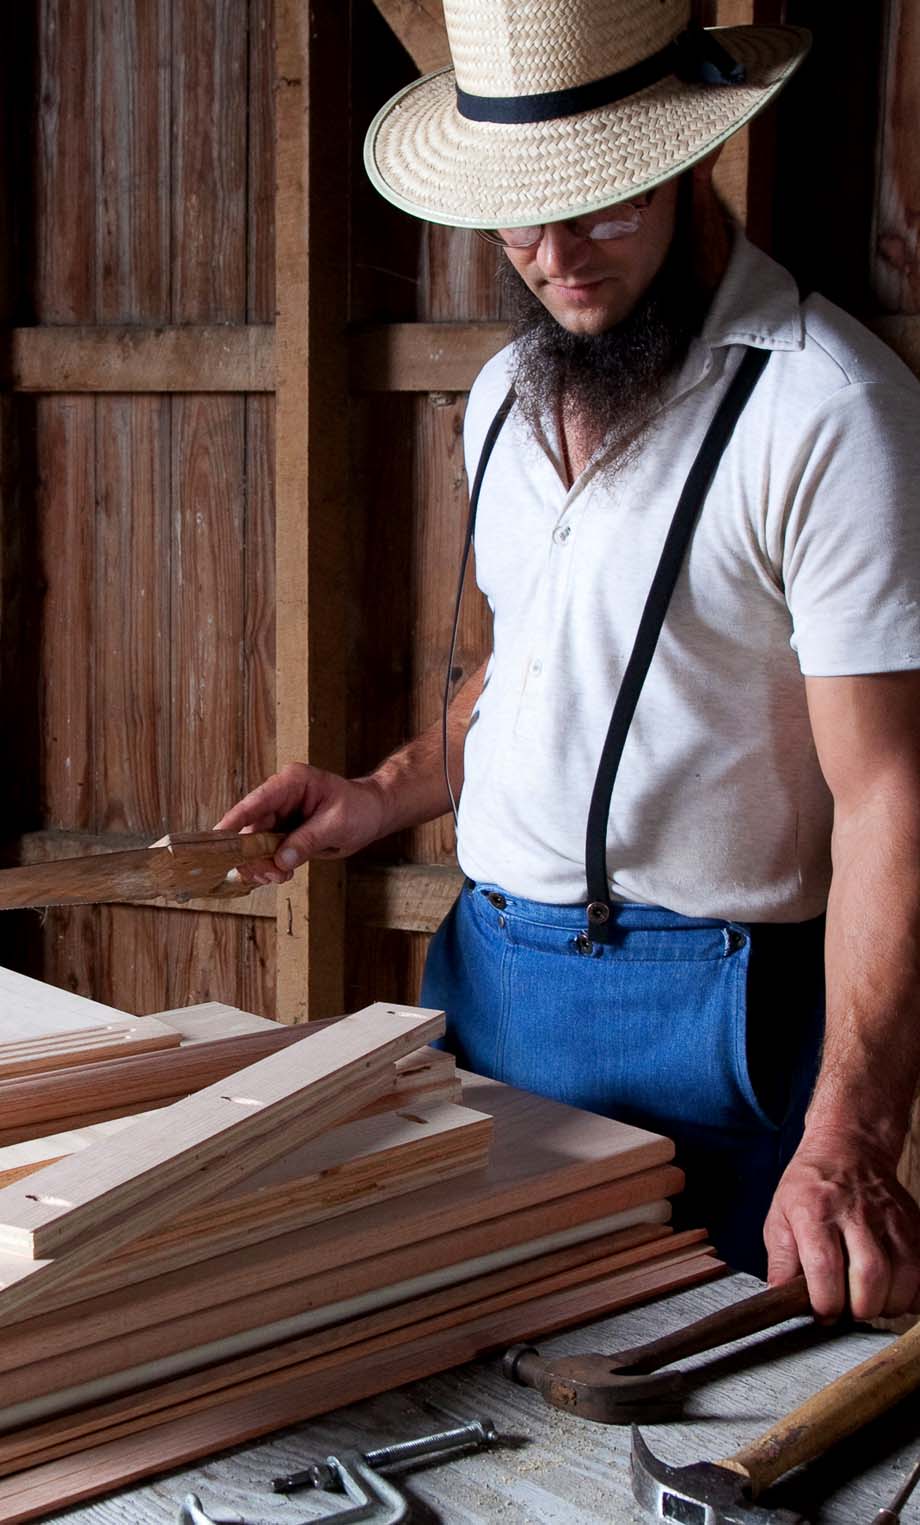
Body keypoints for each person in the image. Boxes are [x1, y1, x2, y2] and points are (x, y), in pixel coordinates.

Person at [218, 0, 920, 1320]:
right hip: (486, 981)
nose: (551, 255)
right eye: (520, 212)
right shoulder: (503, 398)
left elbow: (894, 797)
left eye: (595, 202)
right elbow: (528, 666)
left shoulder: (829, 410)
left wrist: (850, 1141)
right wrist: (384, 791)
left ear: (684, 154)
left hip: (706, 1016)